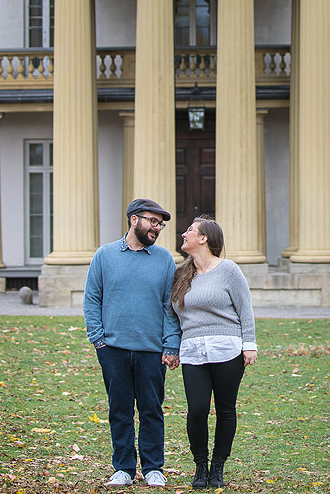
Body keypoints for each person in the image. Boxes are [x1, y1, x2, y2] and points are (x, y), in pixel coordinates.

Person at [83, 198, 181, 488]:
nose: (157, 228)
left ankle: (153, 468)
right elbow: (92, 298)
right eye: (153, 221)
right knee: (120, 411)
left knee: (152, 410)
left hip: (152, 350)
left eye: (160, 224)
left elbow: (169, 306)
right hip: (113, 350)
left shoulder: (164, 259)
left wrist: (171, 344)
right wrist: (98, 340)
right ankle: (123, 468)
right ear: (134, 220)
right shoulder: (105, 255)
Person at [171, 215, 258, 489]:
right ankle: (200, 464)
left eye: (190, 230)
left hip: (227, 348)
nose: (184, 234)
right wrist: (171, 346)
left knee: (225, 409)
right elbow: (172, 314)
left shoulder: (228, 270)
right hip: (192, 350)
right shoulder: (181, 274)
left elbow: (245, 308)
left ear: (204, 238)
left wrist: (249, 344)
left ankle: (218, 465)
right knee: (197, 410)